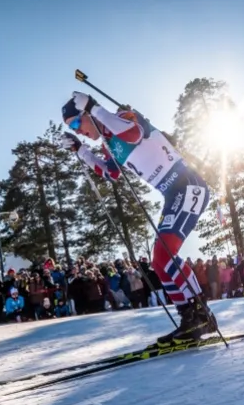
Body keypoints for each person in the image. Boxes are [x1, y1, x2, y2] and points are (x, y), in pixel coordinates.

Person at [60, 92, 215, 346]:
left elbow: (133, 134)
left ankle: (197, 316)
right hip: (172, 193)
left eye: (77, 123)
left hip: (187, 185)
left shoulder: (122, 117)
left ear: (86, 114)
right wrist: (80, 151)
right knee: (160, 260)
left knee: (165, 256)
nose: (79, 131)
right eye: (72, 130)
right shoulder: (108, 143)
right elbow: (110, 173)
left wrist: (94, 107)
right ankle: (195, 316)